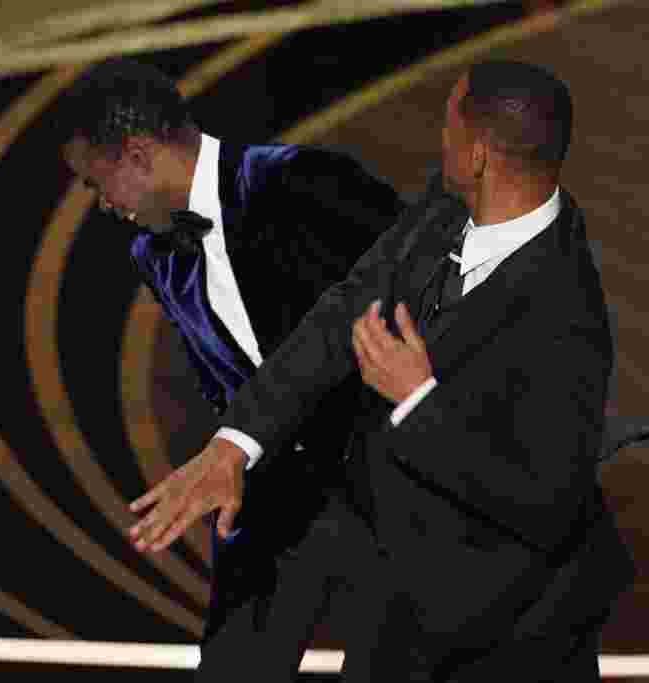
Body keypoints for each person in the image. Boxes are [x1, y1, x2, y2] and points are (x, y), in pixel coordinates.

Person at [129, 60, 636, 681]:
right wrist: (235, 446)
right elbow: (342, 311)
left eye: (448, 123)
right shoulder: (446, 207)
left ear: (479, 156)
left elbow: (544, 498)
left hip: (507, 630)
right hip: (402, 599)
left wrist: (419, 400)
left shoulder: (568, 315)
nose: (438, 135)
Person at [55, 57, 405, 681]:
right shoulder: (153, 255)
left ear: (137, 155)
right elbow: (228, 381)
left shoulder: (305, 182)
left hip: (388, 484)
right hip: (268, 492)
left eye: (93, 183)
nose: (100, 205)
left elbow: (422, 303)